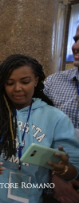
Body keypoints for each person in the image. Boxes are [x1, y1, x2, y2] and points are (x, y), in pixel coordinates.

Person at [0, 54, 79, 203]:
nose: (17, 88)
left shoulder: (56, 118)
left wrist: (63, 169)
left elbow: (74, 170)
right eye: (10, 83)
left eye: (25, 82)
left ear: (36, 81)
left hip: (28, 197)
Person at [43, 26, 79, 203]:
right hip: (55, 179)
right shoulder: (54, 82)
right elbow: (38, 130)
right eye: (75, 40)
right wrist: (54, 176)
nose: (76, 46)